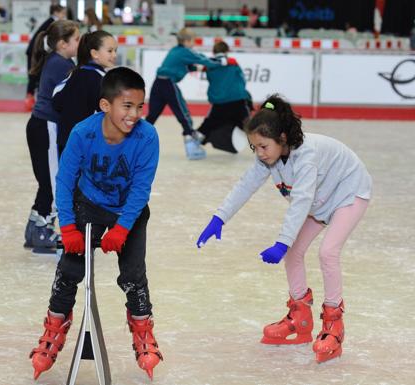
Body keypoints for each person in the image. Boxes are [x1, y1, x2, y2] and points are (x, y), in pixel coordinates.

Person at [196, 95, 372, 364]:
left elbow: (301, 201)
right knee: (294, 253)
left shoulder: (307, 156)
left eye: (264, 146)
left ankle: (334, 324)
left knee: (327, 252)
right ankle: (300, 318)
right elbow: (245, 185)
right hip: (320, 200)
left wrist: (282, 241)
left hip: (348, 192)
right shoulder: (269, 158)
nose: (260, 153)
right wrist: (219, 218)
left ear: (282, 138)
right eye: (254, 148)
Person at [30, 67, 162, 380]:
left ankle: (143, 330)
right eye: (127, 106)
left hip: (128, 211)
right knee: (70, 270)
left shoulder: (147, 137)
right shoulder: (83, 133)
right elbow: (64, 181)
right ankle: (54, 327)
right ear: (105, 105)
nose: (134, 114)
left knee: (133, 275)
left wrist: (122, 228)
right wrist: (68, 227)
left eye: (139, 107)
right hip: (88, 204)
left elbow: (141, 189)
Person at [24, 20, 80, 256]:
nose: (80, 43)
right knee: (57, 182)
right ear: (62, 43)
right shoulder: (62, 65)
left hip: (41, 126)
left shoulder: (59, 60)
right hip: (46, 127)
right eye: (76, 39)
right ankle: (44, 230)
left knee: (46, 182)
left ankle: (35, 228)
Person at [145, 28, 226, 160]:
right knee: (184, 115)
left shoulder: (175, 50)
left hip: (158, 83)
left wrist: (197, 68)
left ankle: (135, 140)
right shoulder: (185, 51)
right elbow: (202, 59)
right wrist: (221, 62)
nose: (194, 44)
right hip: (168, 85)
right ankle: (191, 147)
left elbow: (184, 66)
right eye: (193, 41)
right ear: (187, 41)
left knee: (151, 117)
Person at [52, 30, 117, 155]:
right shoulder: (103, 80)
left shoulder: (74, 73)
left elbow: (56, 101)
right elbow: (108, 114)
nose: (114, 55)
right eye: (110, 51)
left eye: (115, 51)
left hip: (66, 141)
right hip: (89, 145)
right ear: (94, 53)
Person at [195, 41, 252, 154]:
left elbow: (211, 80)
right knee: (249, 126)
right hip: (237, 101)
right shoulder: (233, 63)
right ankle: (264, 146)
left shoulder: (209, 66)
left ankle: (193, 144)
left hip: (219, 103)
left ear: (213, 52)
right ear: (227, 51)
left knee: (208, 125)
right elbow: (242, 80)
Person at [24, 4, 67, 111]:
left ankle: (32, 101)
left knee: (35, 76)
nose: (64, 15)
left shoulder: (51, 22)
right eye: (62, 13)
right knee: (34, 76)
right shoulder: (52, 23)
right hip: (35, 52)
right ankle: (29, 102)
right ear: (56, 13)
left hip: (37, 52)